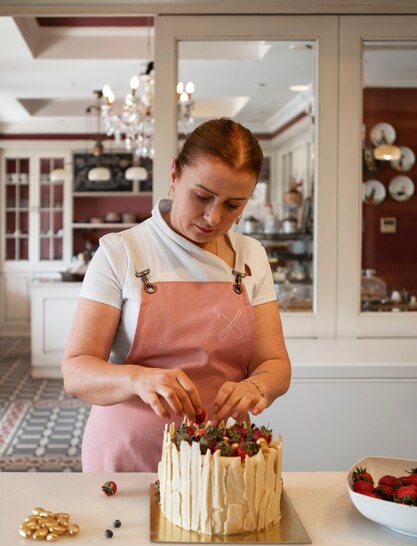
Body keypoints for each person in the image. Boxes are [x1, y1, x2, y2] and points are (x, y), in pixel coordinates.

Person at [62, 117, 291, 472]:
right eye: (202, 197)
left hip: (222, 457)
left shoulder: (252, 256)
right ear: (174, 174)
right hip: (130, 455)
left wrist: (259, 387)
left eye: (233, 205)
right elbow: (76, 372)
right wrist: (137, 379)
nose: (213, 217)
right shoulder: (120, 252)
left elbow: (275, 365)